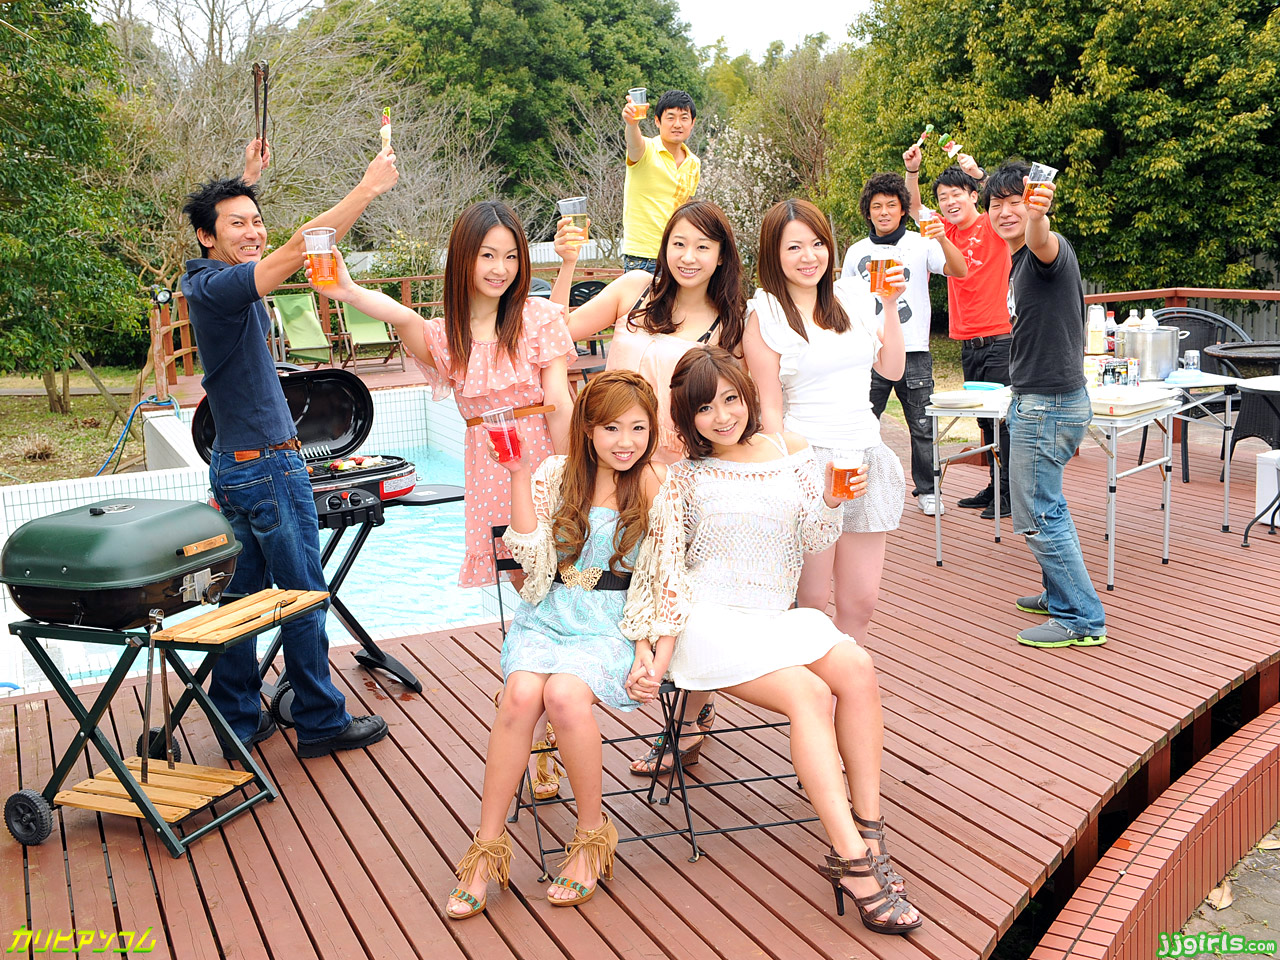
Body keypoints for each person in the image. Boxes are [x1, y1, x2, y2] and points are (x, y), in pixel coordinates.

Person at [663, 346, 921, 934]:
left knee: (856, 666)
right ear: (686, 416)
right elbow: (667, 568)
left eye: (731, 399)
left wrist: (831, 501)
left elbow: (813, 536)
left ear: (748, 397)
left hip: (772, 617)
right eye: (704, 408)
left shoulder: (788, 452)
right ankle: (853, 863)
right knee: (810, 694)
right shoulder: (682, 476)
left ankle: (870, 831)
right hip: (710, 620)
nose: (722, 416)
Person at [180, 145, 398, 759]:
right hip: (270, 468)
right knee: (303, 594)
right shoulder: (220, 288)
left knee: (240, 602)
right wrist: (366, 188)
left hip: (233, 465)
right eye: (237, 224)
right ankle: (321, 720)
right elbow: (303, 246)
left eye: (257, 220)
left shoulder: (203, 280)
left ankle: (237, 722)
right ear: (205, 237)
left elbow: (258, 243)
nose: (253, 232)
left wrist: (246, 180)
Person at [443, 371, 685, 919]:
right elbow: (528, 556)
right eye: (612, 428)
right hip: (549, 614)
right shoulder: (556, 473)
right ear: (588, 428)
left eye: (638, 428)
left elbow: (668, 576)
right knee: (520, 695)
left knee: (565, 696)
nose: (626, 441)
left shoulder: (654, 482)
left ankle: (591, 836)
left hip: (611, 623)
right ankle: (486, 848)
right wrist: (517, 474)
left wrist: (654, 653)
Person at [564, 197, 745, 775]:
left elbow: (735, 406)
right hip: (606, 466)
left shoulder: (731, 323)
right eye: (679, 243)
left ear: (721, 256)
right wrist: (566, 265)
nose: (688, 257)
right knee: (581, 578)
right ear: (664, 247)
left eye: (703, 246)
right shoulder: (633, 290)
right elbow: (555, 334)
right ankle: (555, 713)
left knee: (683, 593)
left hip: (676, 476)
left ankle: (690, 718)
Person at [310, 201, 576, 589]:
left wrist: (574, 474)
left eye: (511, 257)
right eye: (488, 255)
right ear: (464, 257)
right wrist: (348, 291)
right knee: (521, 574)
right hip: (491, 467)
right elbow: (402, 315)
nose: (500, 269)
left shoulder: (538, 316)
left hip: (544, 459)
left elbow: (560, 404)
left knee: (565, 570)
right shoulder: (446, 337)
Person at [742, 199, 907, 642]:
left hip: (864, 454)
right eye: (794, 247)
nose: (809, 256)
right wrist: (785, 477)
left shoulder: (851, 296)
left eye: (817, 243)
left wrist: (890, 306)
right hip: (808, 462)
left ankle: (845, 686)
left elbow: (892, 369)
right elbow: (769, 408)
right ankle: (808, 685)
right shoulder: (765, 314)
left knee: (860, 603)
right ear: (773, 253)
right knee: (811, 602)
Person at [984, 162, 1108, 648]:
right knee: (1048, 506)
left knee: (1039, 514)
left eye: (1015, 202)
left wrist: (1037, 216)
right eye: (997, 204)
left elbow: (1042, 238)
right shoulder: (1018, 262)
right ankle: (1059, 592)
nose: (1005, 212)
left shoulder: (1042, 253)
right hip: (1044, 400)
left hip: (1048, 405)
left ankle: (1080, 618)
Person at [841, 172, 966, 516]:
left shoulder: (921, 242)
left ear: (902, 209)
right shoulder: (856, 252)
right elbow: (844, 301)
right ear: (867, 212)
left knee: (923, 427)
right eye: (876, 206)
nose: (884, 212)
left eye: (891, 205)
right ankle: (856, 488)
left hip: (914, 350)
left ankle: (928, 490)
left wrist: (943, 238)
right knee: (861, 422)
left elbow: (959, 270)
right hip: (869, 352)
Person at [904, 145, 1012, 518]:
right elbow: (913, 207)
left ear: (973, 196)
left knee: (1004, 421)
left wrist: (980, 174)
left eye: (956, 194)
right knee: (985, 420)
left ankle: (1009, 494)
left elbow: (1010, 202)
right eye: (943, 197)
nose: (949, 202)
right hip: (969, 341)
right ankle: (996, 485)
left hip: (1001, 338)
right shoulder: (945, 230)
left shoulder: (994, 224)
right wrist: (913, 172)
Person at [620, 89, 700, 274]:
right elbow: (634, 143)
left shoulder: (694, 163)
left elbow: (685, 208)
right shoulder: (646, 150)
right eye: (670, 117)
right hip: (643, 258)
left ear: (692, 123)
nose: (677, 124)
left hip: (677, 256)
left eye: (684, 118)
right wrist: (632, 125)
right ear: (657, 121)